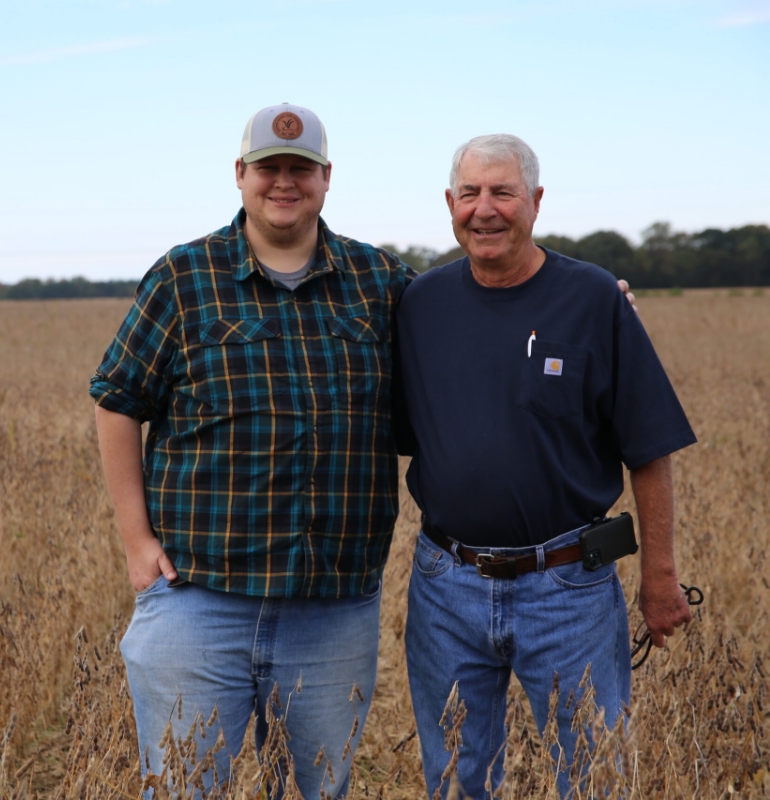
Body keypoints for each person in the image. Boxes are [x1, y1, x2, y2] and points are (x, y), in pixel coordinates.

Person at [89, 103, 411, 798]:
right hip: (199, 599)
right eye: (269, 168)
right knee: (183, 789)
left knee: (320, 790)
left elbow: (467, 336)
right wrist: (135, 541)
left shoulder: (379, 280)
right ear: (240, 175)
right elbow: (117, 399)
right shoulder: (185, 277)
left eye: (301, 169)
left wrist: (581, 301)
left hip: (333, 606)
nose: (284, 183)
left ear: (327, 178)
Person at [392, 134, 697, 798]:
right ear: (449, 203)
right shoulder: (420, 305)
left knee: (594, 777)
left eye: (502, 191)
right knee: (455, 778)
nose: (485, 209)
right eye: (469, 193)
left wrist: (659, 579)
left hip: (569, 588)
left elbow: (648, 448)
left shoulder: (592, 298)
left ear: (535, 200)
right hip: (447, 584)